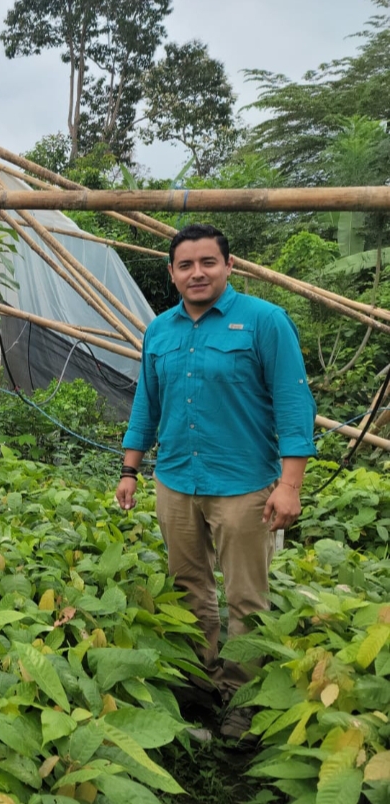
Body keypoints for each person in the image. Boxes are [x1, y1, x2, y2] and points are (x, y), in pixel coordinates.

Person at [115, 223, 316, 740]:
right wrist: (130, 469)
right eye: (185, 265)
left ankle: (242, 699)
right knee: (188, 588)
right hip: (176, 481)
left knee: (247, 597)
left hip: (243, 485)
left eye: (208, 262)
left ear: (230, 265)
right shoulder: (160, 331)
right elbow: (147, 404)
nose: (197, 273)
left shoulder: (264, 321)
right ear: (172, 273)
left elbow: (294, 403)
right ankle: (200, 684)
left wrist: (289, 484)